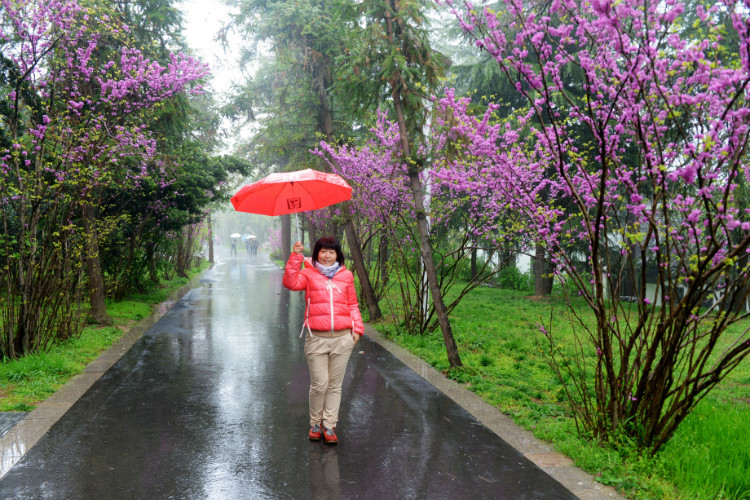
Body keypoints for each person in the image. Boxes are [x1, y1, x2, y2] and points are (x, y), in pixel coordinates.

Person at [282, 236, 364, 444]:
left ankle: (329, 425)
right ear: (317, 252)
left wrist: (358, 330)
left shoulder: (346, 275)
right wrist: (295, 257)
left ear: (338, 254)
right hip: (316, 339)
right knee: (320, 384)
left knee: (335, 385)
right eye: (323, 251)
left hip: (343, 338)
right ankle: (315, 423)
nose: (327, 256)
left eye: (332, 252)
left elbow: (352, 304)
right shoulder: (308, 274)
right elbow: (290, 282)